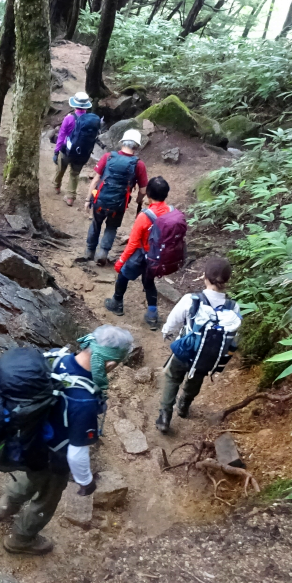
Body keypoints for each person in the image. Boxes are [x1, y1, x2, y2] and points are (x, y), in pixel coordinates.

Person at [0, 325, 135, 555]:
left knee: (30, 478)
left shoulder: (58, 358)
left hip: (30, 442)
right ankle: (21, 540)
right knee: (46, 499)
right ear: (110, 364)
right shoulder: (84, 400)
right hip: (54, 457)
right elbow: (77, 454)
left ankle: (2, 508)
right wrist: (86, 482)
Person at [157, 258, 241, 433]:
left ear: (204, 276)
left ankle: (165, 416)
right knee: (197, 378)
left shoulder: (192, 300)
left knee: (172, 378)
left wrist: (167, 331)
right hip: (208, 356)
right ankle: (184, 405)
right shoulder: (233, 308)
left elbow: (174, 320)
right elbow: (233, 336)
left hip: (185, 351)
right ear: (227, 281)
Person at [105, 176, 171, 329]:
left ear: (148, 194)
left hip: (142, 255)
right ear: (166, 194)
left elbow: (133, 243)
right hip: (158, 257)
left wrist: (121, 261)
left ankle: (117, 303)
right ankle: (152, 316)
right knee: (148, 282)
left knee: (123, 274)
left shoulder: (145, 216)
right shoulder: (170, 212)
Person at [83, 129, 148, 265]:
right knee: (111, 227)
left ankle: (89, 251)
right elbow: (143, 189)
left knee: (95, 224)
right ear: (136, 146)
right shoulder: (139, 164)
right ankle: (103, 253)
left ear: (122, 142)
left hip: (100, 199)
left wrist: (88, 199)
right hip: (119, 204)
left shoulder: (108, 157)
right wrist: (138, 200)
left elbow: (96, 180)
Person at [53, 91, 101, 207]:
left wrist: (56, 151)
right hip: (82, 153)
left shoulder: (69, 118)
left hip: (66, 150)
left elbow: (61, 135)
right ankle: (70, 197)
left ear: (75, 105)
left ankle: (57, 186)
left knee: (61, 168)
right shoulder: (91, 120)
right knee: (74, 174)